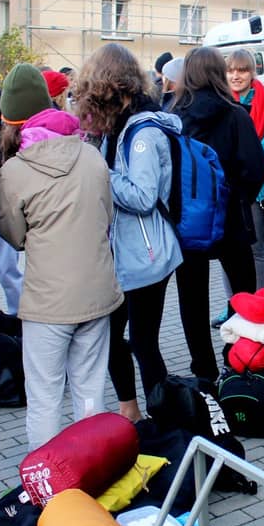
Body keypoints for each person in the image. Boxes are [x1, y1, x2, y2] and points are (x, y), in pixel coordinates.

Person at [0, 64, 123, 451]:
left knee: (45, 397)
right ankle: (94, 469)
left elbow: (13, 235)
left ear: (10, 122)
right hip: (98, 293)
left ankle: (48, 479)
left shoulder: (14, 171)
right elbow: (107, 218)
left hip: (48, 302)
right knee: (90, 393)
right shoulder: (91, 155)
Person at [77, 44, 184, 422]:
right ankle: (131, 412)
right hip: (123, 254)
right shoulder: (118, 126)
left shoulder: (143, 132)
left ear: (113, 89)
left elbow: (142, 196)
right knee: (109, 336)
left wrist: (99, 171)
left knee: (143, 342)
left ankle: (165, 419)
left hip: (148, 255)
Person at [172, 46, 264, 381]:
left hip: (187, 222)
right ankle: (241, 360)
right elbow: (256, 168)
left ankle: (204, 369)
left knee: (192, 299)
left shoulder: (174, 116)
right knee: (243, 294)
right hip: (230, 218)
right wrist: (239, 197)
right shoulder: (235, 114)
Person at [210, 49, 264, 325]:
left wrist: (244, 178)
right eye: (231, 70)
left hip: (254, 189)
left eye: (242, 70)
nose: (236, 76)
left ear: (253, 73)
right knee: (228, 250)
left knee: (256, 249)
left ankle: (260, 305)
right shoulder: (220, 102)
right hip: (227, 189)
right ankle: (234, 306)